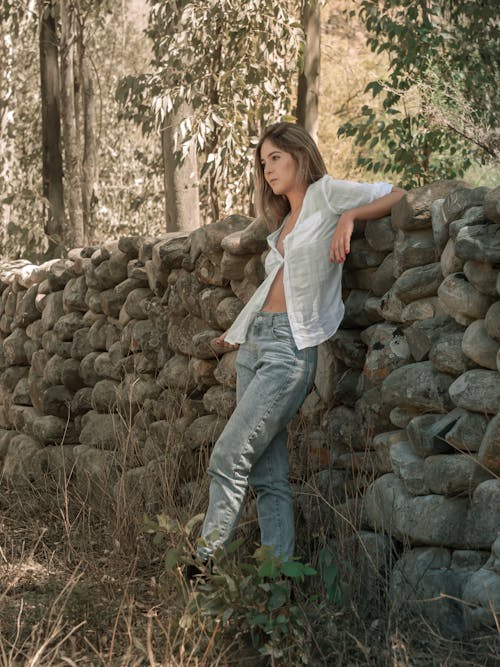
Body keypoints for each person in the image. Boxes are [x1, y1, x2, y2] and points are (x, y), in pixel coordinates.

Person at [192, 121, 405, 570]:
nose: (268, 168)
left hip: (290, 350)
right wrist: (237, 329)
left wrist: (349, 217)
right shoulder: (285, 219)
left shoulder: (327, 195)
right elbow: (276, 282)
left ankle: (200, 569)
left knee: (228, 457)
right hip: (255, 345)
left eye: (276, 158)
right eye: (263, 161)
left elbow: (397, 193)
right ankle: (275, 589)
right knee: (267, 476)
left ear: (300, 156)